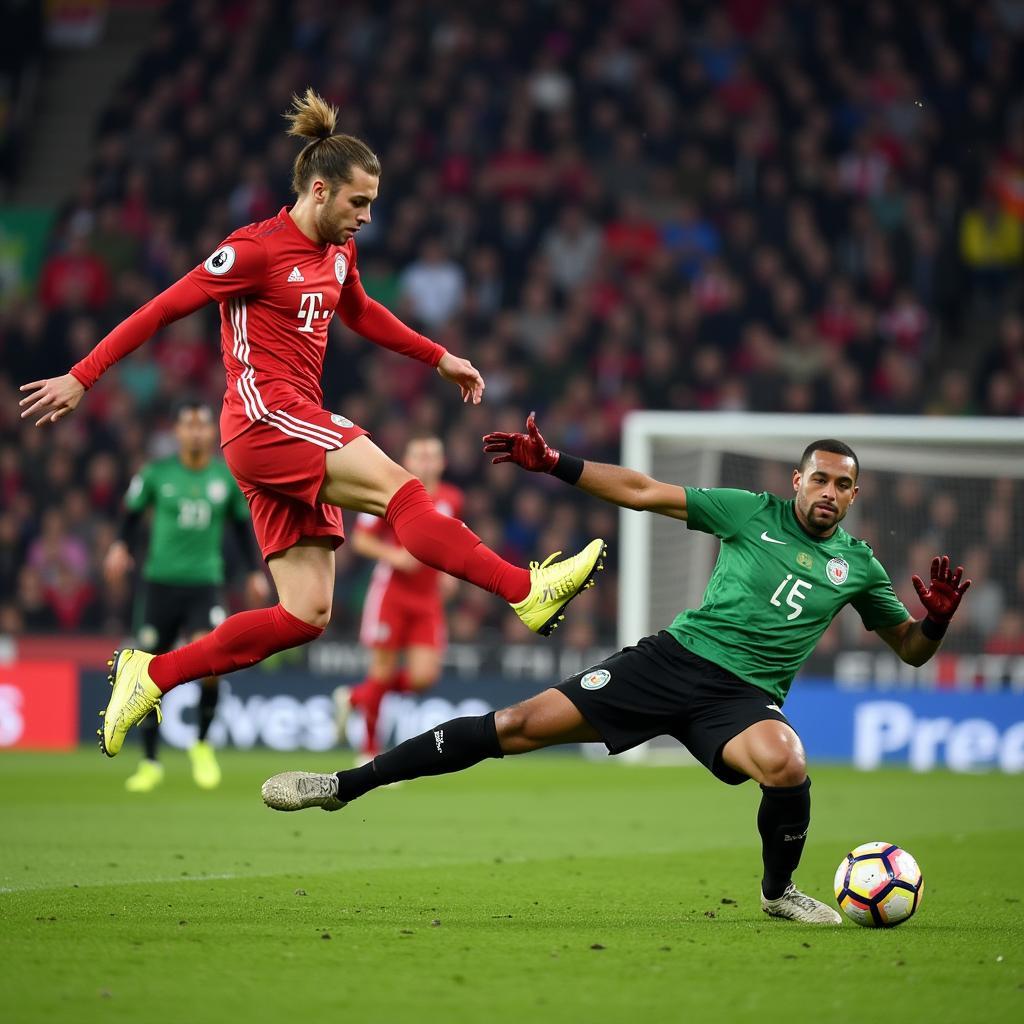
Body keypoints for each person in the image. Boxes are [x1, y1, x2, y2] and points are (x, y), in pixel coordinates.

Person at [18, 90, 606, 760]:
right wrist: (82, 375)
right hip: (265, 419)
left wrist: (438, 356)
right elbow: (160, 309)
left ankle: (150, 675)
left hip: (290, 429)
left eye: (373, 205)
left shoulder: (338, 253)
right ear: (319, 190)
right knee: (402, 491)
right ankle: (524, 589)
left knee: (304, 617)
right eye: (358, 203)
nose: (366, 217)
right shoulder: (253, 251)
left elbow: (361, 312)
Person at [262, 415, 971, 926]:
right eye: (819, 477)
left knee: (786, 762)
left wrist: (934, 621)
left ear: (853, 497)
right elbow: (642, 490)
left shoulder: (861, 567)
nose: (828, 491)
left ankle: (778, 891)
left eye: (842, 485)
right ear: (797, 480)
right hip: (670, 662)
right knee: (513, 724)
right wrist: (557, 464)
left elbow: (909, 649)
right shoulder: (747, 512)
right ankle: (345, 785)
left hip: (743, 699)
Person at [104, 399, 271, 792]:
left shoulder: (224, 478)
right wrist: (119, 547)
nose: (195, 432)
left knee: (212, 664)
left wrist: (252, 572)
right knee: (148, 668)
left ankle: (201, 744)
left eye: (201, 425)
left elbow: (241, 528)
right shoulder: (157, 474)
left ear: (210, 432)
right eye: (188, 425)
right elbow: (130, 515)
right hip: (160, 584)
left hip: (204, 585)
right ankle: (149, 761)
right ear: (177, 432)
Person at [335, 432, 462, 761]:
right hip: (391, 593)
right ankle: (369, 751)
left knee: (423, 678)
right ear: (406, 461)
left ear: (442, 463)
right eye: (419, 455)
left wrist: (449, 572)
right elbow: (361, 539)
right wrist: (395, 557)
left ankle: (356, 698)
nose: (426, 461)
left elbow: (449, 540)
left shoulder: (451, 498)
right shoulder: (390, 492)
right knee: (382, 672)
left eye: (432, 455)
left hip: (427, 598)